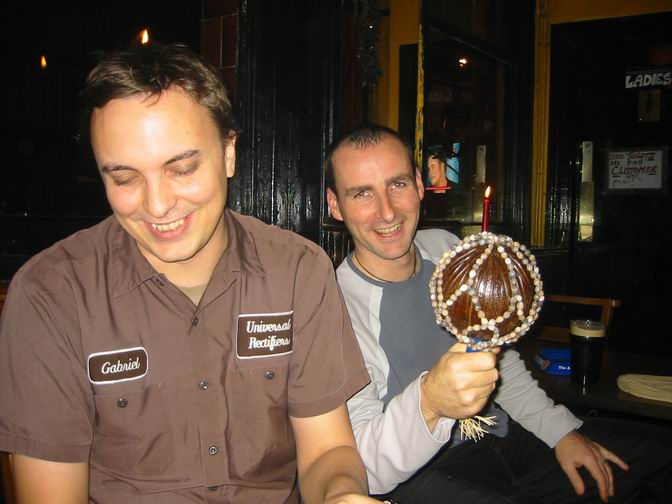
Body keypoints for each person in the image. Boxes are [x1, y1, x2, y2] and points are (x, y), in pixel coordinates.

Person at [0, 43, 379, 504]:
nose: (157, 205)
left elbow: (327, 450)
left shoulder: (299, 270)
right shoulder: (50, 294)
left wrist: (341, 494)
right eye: (124, 179)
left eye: (181, 169)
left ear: (229, 152)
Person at [325, 123, 672, 503]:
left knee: (658, 453)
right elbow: (364, 466)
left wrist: (559, 432)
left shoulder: (447, 251)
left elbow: (501, 362)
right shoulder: (333, 309)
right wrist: (431, 401)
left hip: (504, 437)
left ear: (420, 186)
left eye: (398, 184)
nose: (387, 210)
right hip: (424, 472)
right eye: (362, 193)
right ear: (335, 205)